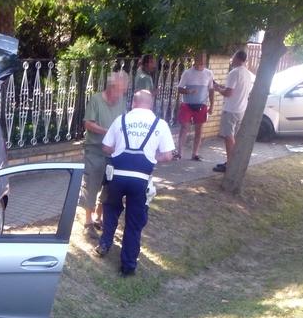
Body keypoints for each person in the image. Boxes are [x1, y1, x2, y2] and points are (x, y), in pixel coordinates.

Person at [94, 90, 175, 276]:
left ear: (133, 103)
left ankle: (105, 243)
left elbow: (106, 147)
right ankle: (128, 266)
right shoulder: (160, 124)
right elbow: (168, 155)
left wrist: (120, 151)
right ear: (151, 105)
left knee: (111, 209)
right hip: (141, 180)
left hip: (117, 176)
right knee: (134, 222)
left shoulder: (121, 120)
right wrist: (151, 156)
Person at [81, 71, 128, 233]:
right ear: (111, 87)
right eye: (120, 90)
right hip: (95, 149)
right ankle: (88, 221)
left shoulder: (122, 102)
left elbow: (124, 123)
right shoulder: (96, 100)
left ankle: (98, 218)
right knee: (91, 184)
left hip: (113, 152)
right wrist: (107, 131)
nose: (121, 94)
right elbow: (88, 123)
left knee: (109, 187)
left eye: (123, 91)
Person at [212, 50, 254, 172]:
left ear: (237, 58)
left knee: (228, 137)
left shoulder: (234, 73)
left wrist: (218, 90)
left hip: (231, 109)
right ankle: (233, 162)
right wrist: (221, 87)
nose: (231, 59)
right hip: (241, 109)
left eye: (233, 57)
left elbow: (228, 93)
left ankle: (230, 164)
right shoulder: (247, 74)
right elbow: (234, 90)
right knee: (234, 137)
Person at [177, 52, 215, 161]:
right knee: (184, 128)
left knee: (199, 130)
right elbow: (179, 88)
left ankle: (195, 154)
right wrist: (188, 91)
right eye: (199, 59)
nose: (201, 62)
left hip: (201, 105)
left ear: (205, 59)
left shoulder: (209, 73)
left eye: (203, 59)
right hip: (187, 105)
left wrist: (212, 106)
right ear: (195, 59)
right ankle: (179, 153)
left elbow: (211, 90)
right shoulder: (187, 73)